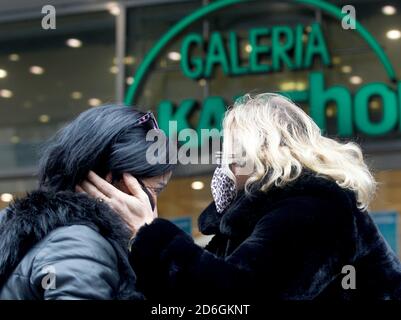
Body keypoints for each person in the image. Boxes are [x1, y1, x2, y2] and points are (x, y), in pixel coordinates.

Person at [81, 93, 401, 301]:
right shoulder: (262, 214)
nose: (223, 162)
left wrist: (151, 234)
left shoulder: (314, 208)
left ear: (260, 151)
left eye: (230, 149)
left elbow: (238, 297)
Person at [0, 105, 173, 300]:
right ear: (113, 182)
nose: (155, 208)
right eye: (155, 190)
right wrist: (150, 240)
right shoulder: (79, 246)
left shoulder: (42, 233)